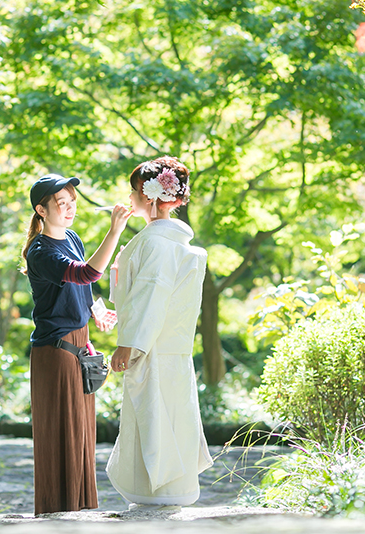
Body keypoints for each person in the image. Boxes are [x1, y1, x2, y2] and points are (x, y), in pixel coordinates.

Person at [106, 156, 213, 506]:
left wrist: (128, 344)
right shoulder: (173, 242)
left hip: (151, 346)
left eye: (135, 190)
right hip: (171, 347)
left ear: (149, 195)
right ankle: (171, 492)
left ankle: (158, 496)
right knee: (169, 417)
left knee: (154, 419)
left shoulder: (154, 242)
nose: (132, 196)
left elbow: (149, 294)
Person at [23, 173, 131, 515]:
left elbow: (82, 287)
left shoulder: (71, 236)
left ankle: (80, 513)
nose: (69, 209)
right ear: (41, 210)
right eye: (61, 204)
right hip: (55, 352)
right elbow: (85, 273)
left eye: (72, 203)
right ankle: (58, 513)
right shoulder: (40, 251)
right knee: (61, 435)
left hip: (79, 346)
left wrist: (95, 311)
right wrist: (114, 231)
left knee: (81, 434)